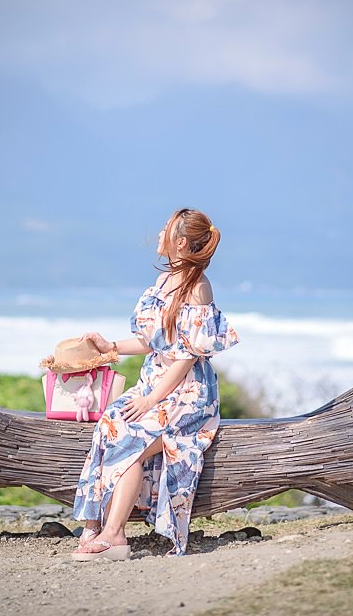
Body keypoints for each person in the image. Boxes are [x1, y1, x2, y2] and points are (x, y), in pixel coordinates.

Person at [70, 208, 239, 560]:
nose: (158, 234)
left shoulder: (198, 288)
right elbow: (153, 343)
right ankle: (94, 524)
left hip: (188, 394)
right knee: (109, 425)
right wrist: (111, 348)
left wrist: (150, 401)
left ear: (179, 242)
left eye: (165, 229)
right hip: (154, 383)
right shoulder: (163, 283)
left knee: (129, 439)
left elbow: (187, 355)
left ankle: (114, 535)